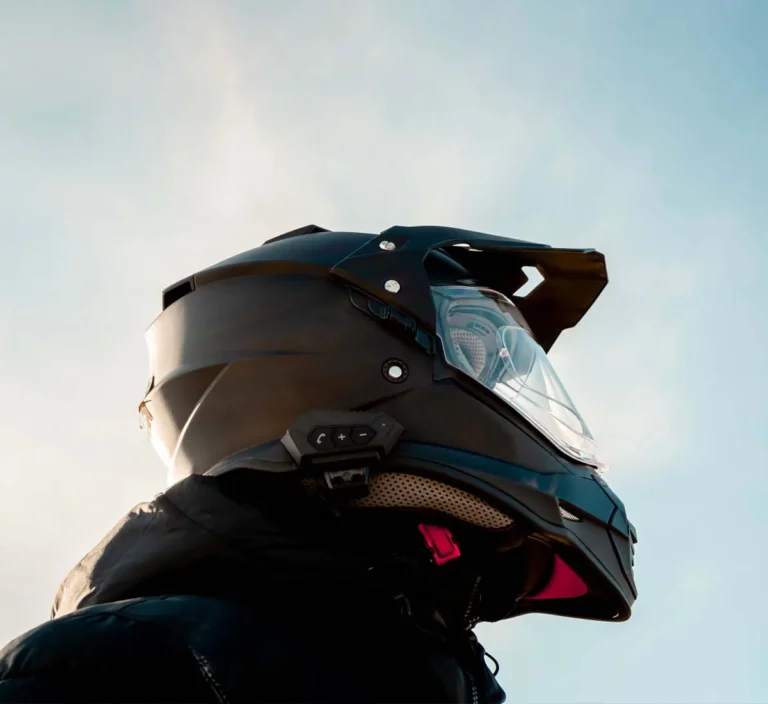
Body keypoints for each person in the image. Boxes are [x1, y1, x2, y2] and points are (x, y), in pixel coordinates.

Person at [0, 224, 637, 703]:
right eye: (479, 355)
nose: (509, 394)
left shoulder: (407, 668)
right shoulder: (118, 669)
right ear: (336, 366)